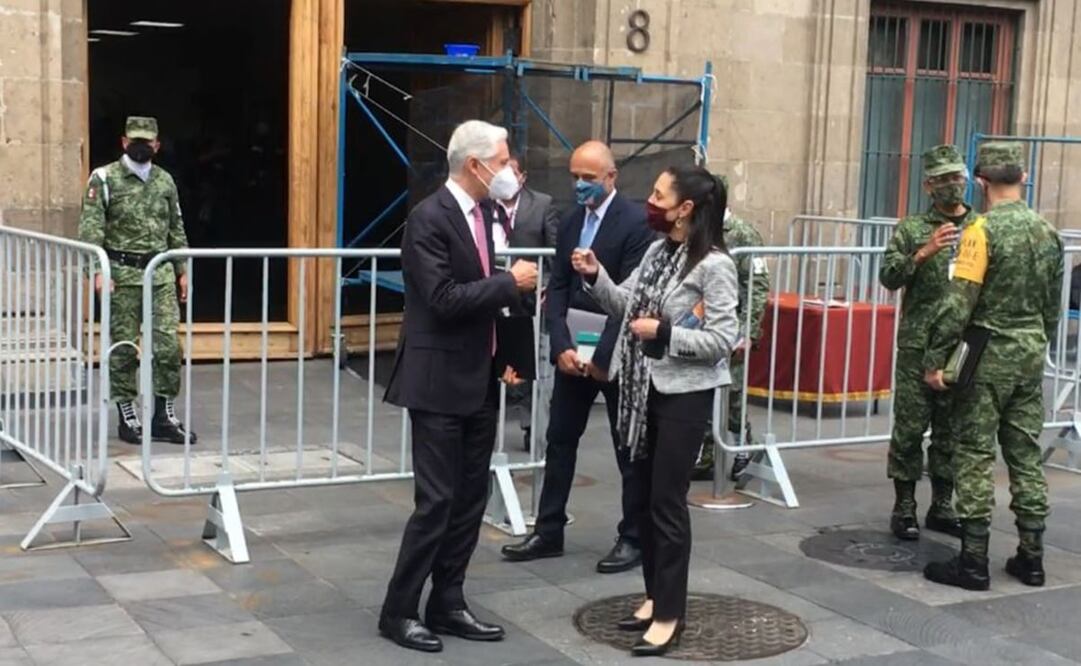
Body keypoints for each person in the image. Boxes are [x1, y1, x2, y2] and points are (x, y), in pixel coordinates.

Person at [379, 120, 539, 652]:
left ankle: (447, 601)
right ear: (475, 165)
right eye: (503, 159)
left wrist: (512, 348)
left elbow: (486, 294)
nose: (510, 169)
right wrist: (508, 283)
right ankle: (399, 611)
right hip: (437, 381)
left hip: (480, 376)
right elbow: (444, 299)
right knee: (437, 502)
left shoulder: (487, 214)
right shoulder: (429, 219)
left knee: (471, 499)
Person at [574, 166, 738, 656]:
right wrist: (596, 275)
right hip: (640, 390)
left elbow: (722, 340)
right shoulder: (657, 251)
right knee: (643, 498)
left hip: (683, 395)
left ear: (685, 208)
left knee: (667, 503)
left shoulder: (714, 265)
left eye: (658, 194)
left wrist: (665, 334)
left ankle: (670, 613)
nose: (649, 201)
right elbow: (625, 304)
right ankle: (653, 596)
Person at [500, 140, 654, 573]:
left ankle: (633, 536)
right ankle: (549, 529)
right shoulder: (570, 220)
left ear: (611, 176)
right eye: (575, 177)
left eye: (589, 178)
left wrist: (602, 357)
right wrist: (562, 346)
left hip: (615, 352)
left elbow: (631, 298)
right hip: (574, 346)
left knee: (627, 447)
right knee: (560, 439)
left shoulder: (635, 223)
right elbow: (558, 288)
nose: (580, 185)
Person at [922, 142, 1064, 591]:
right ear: (1023, 178)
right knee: (1025, 456)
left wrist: (936, 360)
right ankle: (1032, 557)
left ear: (981, 182)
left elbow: (958, 303)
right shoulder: (1048, 233)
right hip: (1028, 357)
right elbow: (1051, 308)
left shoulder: (980, 231)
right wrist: (1034, 344)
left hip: (984, 358)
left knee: (975, 455)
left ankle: (973, 561)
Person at [78, 116, 196, 445]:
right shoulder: (104, 178)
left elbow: (176, 227)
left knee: (168, 346)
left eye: (147, 142)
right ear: (124, 142)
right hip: (122, 275)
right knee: (124, 348)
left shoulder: (164, 181)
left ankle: (164, 416)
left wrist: (182, 269)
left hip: (159, 274)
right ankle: (127, 416)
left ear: (157, 145)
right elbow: (90, 229)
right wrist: (98, 272)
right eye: (135, 141)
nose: (141, 147)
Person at [879, 144, 976, 540]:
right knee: (910, 428)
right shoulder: (912, 227)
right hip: (918, 344)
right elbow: (889, 277)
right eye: (944, 179)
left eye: (958, 177)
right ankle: (904, 507)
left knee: (950, 430)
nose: (953, 185)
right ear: (929, 186)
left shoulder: (981, 226)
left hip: (963, 344)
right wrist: (923, 252)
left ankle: (942, 505)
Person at [691, 184, 769, 482]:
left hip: (731, 328)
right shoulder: (699, 231)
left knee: (732, 395)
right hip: (702, 327)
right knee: (704, 392)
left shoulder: (743, 234)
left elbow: (757, 286)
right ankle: (708, 454)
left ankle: (742, 449)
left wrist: (749, 331)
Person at [491, 155, 560, 451]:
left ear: (523, 177)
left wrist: (548, 285)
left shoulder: (542, 204)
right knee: (493, 361)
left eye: (512, 171)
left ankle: (532, 427)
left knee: (530, 364)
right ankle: (487, 433)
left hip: (530, 298)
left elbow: (555, 250)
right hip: (492, 292)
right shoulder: (484, 204)